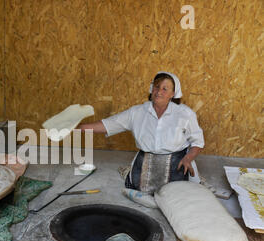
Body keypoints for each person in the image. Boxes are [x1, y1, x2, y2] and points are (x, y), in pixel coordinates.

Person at [77, 71, 205, 207]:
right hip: (145, 166)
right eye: (156, 87)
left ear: (173, 93)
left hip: (177, 165)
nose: (159, 92)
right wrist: (76, 127)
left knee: (178, 201)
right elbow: (108, 124)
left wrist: (188, 158)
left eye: (164, 89)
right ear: (151, 88)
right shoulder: (137, 112)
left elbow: (197, 141)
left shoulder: (185, 114)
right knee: (144, 200)